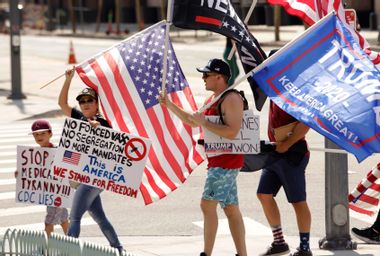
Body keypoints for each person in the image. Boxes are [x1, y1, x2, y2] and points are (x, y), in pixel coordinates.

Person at [159, 58, 247, 256]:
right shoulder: (214, 98)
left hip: (226, 161)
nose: (203, 78)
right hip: (218, 160)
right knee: (231, 209)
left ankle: (206, 253)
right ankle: (242, 254)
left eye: (206, 75)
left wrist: (205, 122)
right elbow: (193, 121)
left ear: (219, 77)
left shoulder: (231, 98)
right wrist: (169, 104)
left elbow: (232, 131)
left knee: (207, 204)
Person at [58, 67, 124, 254]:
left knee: (75, 217)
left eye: (90, 100)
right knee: (100, 218)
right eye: (82, 101)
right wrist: (68, 80)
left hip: (92, 179)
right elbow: (62, 103)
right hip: (83, 178)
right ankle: (118, 248)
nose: (85, 104)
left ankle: (68, 252)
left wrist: (99, 128)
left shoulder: (103, 122)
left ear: (97, 104)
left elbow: (112, 141)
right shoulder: (79, 118)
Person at [256, 101, 312, 255]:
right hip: (275, 151)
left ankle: (305, 247)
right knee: (263, 194)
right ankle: (279, 242)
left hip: (293, 153)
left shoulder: (295, 91)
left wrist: (287, 144)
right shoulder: (275, 88)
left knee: (298, 201)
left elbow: (306, 122)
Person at [15, 119, 69, 237]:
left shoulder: (57, 151)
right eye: (36, 134)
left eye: (43, 133)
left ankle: (47, 249)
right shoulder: (35, 154)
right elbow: (32, 172)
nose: (39, 136)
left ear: (50, 134)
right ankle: (73, 242)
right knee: (63, 218)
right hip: (49, 192)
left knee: (49, 220)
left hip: (57, 192)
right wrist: (20, 174)